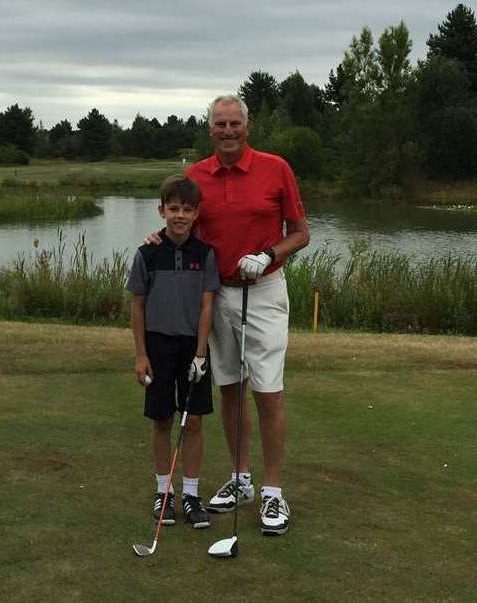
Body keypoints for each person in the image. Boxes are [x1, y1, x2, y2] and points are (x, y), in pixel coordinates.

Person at [145, 95, 309, 536]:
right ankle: (241, 479)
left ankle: (273, 494)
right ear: (210, 128)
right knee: (230, 389)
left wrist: (269, 253)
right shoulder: (196, 175)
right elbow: (183, 225)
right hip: (216, 296)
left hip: (265, 290)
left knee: (268, 391)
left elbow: (301, 233)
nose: (228, 130)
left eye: (235, 123)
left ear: (247, 127)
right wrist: (159, 238)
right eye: (220, 124)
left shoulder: (276, 168)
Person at [126, 174, 221, 529]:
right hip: (157, 345)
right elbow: (137, 306)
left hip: (191, 348)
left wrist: (200, 355)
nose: (180, 216)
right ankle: (163, 493)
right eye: (174, 209)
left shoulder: (205, 254)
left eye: (187, 210)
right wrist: (140, 354)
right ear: (162, 210)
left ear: (197, 214)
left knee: (193, 420)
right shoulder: (147, 253)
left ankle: (192, 496)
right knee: (162, 419)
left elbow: (207, 306)